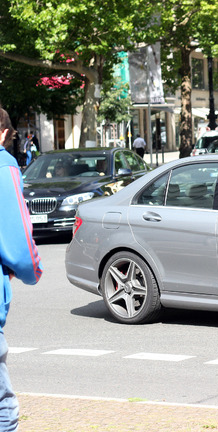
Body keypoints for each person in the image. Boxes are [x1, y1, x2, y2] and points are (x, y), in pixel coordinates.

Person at [0, 106, 43, 431]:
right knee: (3, 410)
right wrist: (32, 271)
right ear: (3, 132)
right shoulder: (4, 166)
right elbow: (20, 247)